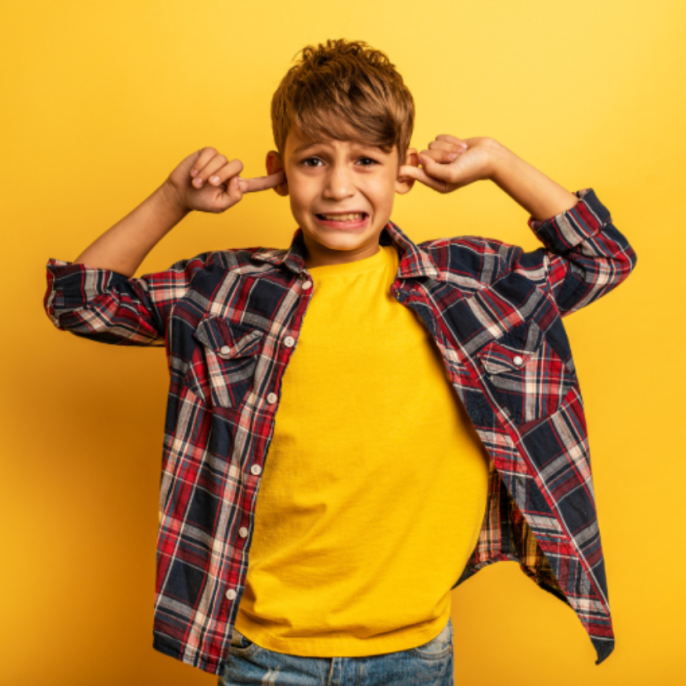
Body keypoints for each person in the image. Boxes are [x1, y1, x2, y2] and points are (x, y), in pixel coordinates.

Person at [43, 38, 637, 685]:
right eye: (313, 161)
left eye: (366, 161)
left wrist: (496, 161)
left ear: (403, 169)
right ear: (278, 171)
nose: (338, 187)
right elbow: (80, 301)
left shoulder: (466, 286)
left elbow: (603, 258)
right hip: (266, 656)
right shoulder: (229, 292)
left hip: (414, 655)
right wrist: (172, 197)